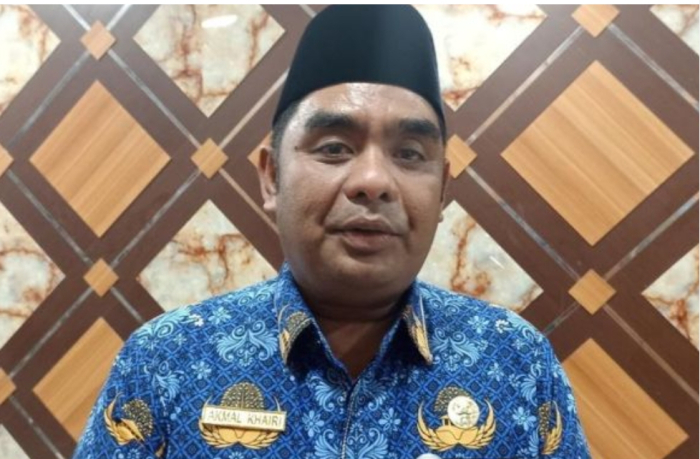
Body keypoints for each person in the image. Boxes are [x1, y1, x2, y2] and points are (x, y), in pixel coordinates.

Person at [74, 5, 590, 458]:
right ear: (271, 176)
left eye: (410, 154)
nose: (373, 181)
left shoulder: (516, 362)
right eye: (335, 148)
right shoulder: (166, 359)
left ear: (442, 191)